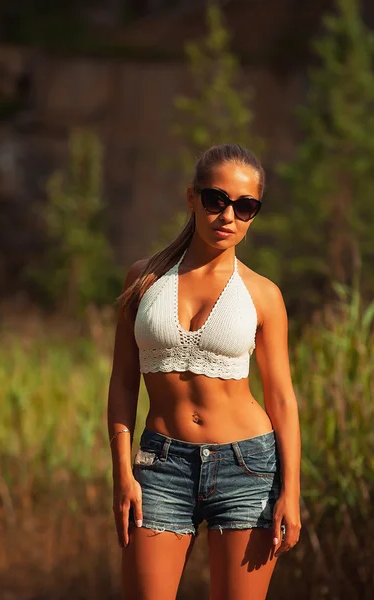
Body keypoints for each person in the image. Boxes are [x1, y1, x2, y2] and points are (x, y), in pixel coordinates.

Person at [107, 143, 301, 600]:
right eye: (216, 199)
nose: (228, 215)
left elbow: (282, 399)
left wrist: (291, 491)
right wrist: (121, 473)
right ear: (191, 197)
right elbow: (121, 381)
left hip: (247, 467)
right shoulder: (145, 280)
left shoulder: (263, 294)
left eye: (245, 206)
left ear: (254, 213)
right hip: (160, 467)